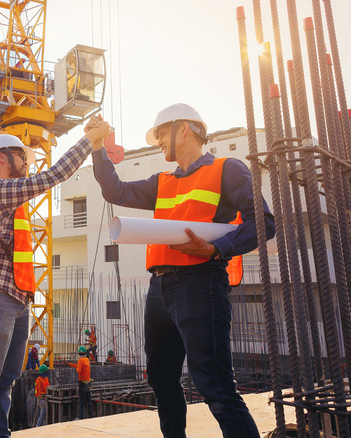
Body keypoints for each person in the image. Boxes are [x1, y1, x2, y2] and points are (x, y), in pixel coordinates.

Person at [92, 103, 275, 438]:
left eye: (161, 134)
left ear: (185, 129)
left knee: (214, 384)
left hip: (200, 282)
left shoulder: (227, 170)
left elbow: (262, 223)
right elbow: (114, 190)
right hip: (159, 289)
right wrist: (97, 149)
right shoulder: (161, 181)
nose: (158, 141)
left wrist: (217, 248)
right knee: (161, 378)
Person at [0, 115, 112, 438]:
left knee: (6, 378)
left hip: (16, 298)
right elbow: (53, 176)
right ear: (1, 157)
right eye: (21, 157)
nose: (26, 162)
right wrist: (89, 140)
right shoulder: (0, 191)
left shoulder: (13, 199)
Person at [65, 346, 94, 419]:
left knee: (81, 402)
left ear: (79, 353)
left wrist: (76, 367)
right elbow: (79, 366)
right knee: (89, 401)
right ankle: (91, 417)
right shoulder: (86, 359)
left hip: (82, 384)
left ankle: (81, 417)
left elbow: (78, 371)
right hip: (88, 383)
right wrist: (70, 364)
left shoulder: (80, 360)